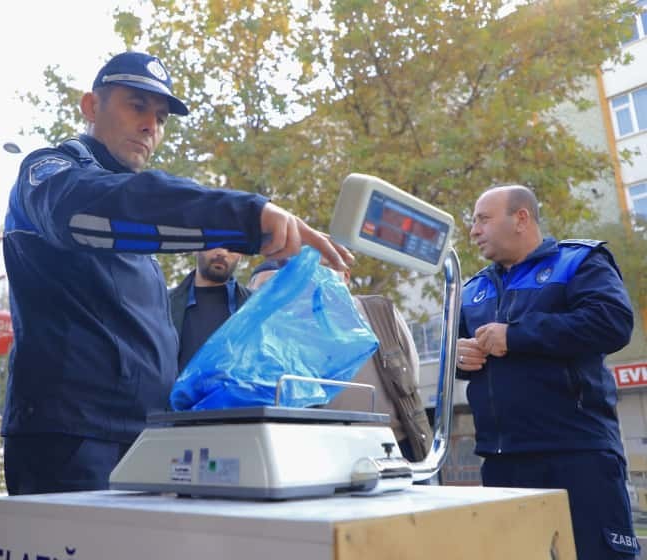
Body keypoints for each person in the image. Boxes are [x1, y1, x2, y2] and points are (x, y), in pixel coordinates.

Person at [1, 50, 353, 496]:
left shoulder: (133, 228)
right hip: (70, 440)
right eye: (137, 106)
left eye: (162, 117)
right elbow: (90, 209)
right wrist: (249, 216)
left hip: (146, 438)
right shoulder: (49, 173)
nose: (151, 126)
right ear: (91, 107)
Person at [457, 184, 638, 559]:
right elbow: (458, 356)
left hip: (576, 453)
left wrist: (517, 336)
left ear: (521, 218)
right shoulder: (472, 290)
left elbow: (613, 323)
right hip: (501, 461)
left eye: (483, 219)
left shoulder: (579, 261)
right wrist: (458, 358)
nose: (474, 230)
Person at [248, 258, 432, 462]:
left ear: (345, 275)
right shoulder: (295, 323)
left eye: (328, 265)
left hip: (395, 443)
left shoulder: (379, 311)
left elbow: (411, 371)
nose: (320, 273)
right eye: (313, 265)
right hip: (331, 449)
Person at [169, 248, 251, 371]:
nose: (223, 253)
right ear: (196, 248)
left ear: (241, 255)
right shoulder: (161, 304)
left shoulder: (255, 307)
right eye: (216, 242)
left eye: (232, 247)